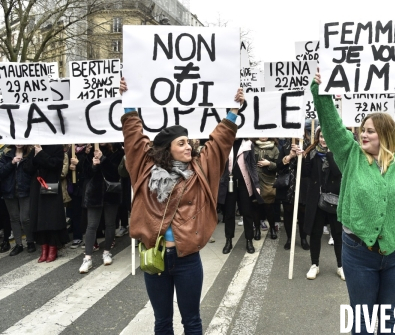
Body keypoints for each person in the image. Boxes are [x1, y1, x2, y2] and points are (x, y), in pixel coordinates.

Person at [312, 67, 395, 334]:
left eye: (370, 131)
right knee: (361, 323)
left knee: (390, 322)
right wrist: (322, 92)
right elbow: (331, 124)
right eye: (362, 130)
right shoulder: (351, 155)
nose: (363, 134)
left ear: (385, 133)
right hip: (358, 252)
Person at [120, 77, 243, 334]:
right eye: (182, 143)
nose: (189, 146)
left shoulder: (199, 169)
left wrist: (233, 111)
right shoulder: (144, 168)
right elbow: (133, 135)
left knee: (192, 321)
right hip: (155, 256)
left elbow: (219, 142)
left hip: (188, 258)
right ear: (168, 149)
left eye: (188, 142)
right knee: (162, 321)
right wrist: (128, 102)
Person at [302, 127, 344, 280]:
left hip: (334, 200)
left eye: (326, 137)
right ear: (317, 137)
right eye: (321, 136)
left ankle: (341, 266)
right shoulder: (312, 153)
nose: (323, 140)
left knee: (338, 234)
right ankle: (314, 265)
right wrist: (299, 157)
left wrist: (330, 153)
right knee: (315, 233)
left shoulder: (338, 153)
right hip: (317, 200)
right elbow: (305, 173)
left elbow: (337, 172)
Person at [78, 143, 124, 273]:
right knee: (91, 225)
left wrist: (103, 159)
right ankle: (87, 257)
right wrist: (93, 165)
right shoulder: (91, 152)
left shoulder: (117, 151)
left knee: (110, 224)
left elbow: (116, 173)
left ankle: (107, 252)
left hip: (111, 193)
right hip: (94, 193)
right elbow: (85, 173)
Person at [22, 144, 70, 262]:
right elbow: (27, 168)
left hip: (50, 186)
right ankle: (44, 248)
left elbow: (55, 165)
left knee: (51, 219)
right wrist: (35, 155)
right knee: (39, 219)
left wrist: (41, 154)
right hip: (37, 188)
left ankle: (53, 248)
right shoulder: (35, 149)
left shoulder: (57, 148)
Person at [218, 138, 263, 254]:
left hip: (244, 183)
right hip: (229, 183)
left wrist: (256, 183)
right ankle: (228, 240)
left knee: (247, 213)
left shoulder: (248, 144)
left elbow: (252, 164)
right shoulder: (225, 143)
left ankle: (249, 240)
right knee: (228, 214)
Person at [0, 145, 35, 255]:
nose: (19, 143)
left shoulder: (30, 154)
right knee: (13, 218)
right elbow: (1, 172)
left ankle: (30, 241)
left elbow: (32, 171)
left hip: (25, 190)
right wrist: (12, 163)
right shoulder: (6, 154)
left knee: (25, 218)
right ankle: (18, 244)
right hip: (9, 190)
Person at [276, 138, 309, 250]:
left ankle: (303, 238)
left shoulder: (308, 146)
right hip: (288, 186)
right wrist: (290, 156)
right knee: (288, 212)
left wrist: (303, 156)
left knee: (303, 213)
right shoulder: (285, 146)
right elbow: (278, 166)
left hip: (303, 186)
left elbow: (308, 170)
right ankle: (290, 238)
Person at [254, 137, 280, 239]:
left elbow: (279, 165)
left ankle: (272, 228)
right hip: (255, 182)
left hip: (268, 182)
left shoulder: (274, 148)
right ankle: (257, 229)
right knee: (255, 207)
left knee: (269, 208)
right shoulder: (252, 146)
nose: (263, 136)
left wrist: (269, 163)